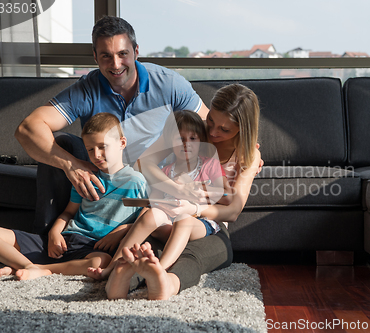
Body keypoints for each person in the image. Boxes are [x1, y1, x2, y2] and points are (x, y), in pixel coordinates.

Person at [13, 16, 237, 294]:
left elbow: (210, 132)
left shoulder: (169, 84)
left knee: (194, 244)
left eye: (122, 54)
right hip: (114, 197)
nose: (116, 64)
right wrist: (72, 165)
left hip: (159, 200)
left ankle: (153, 277)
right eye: (106, 56)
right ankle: (53, 246)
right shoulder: (87, 89)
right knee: (62, 144)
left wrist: (247, 155)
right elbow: (27, 128)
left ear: (136, 52)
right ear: (95, 56)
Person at [105, 83, 261, 300]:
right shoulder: (193, 131)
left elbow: (233, 210)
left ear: (242, 129)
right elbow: (145, 163)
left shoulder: (248, 156)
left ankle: (166, 283)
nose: (213, 132)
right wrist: (178, 189)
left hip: (209, 228)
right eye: (212, 121)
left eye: (224, 130)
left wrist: (195, 207)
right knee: (147, 252)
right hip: (170, 216)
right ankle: (118, 278)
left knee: (191, 258)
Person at [0, 113, 148, 280]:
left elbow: (147, 218)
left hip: (92, 249)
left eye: (103, 147)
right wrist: (54, 232)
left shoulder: (136, 182)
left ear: (122, 143)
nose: (96, 155)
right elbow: (68, 213)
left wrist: (123, 230)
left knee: (101, 262)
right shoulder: (85, 177)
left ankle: (33, 268)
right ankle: (29, 266)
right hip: (64, 242)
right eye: (90, 149)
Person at [87, 110, 232, 281]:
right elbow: (152, 203)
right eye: (180, 139)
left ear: (200, 141)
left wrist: (200, 192)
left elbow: (227, 196)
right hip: (168, 223)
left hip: (199, 223)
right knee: (152, 214)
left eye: (193, 139)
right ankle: (111, 267)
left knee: (184, 218)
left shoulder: (209, 165)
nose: (187, 144)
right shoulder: (166, 171)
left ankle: (160, 269)